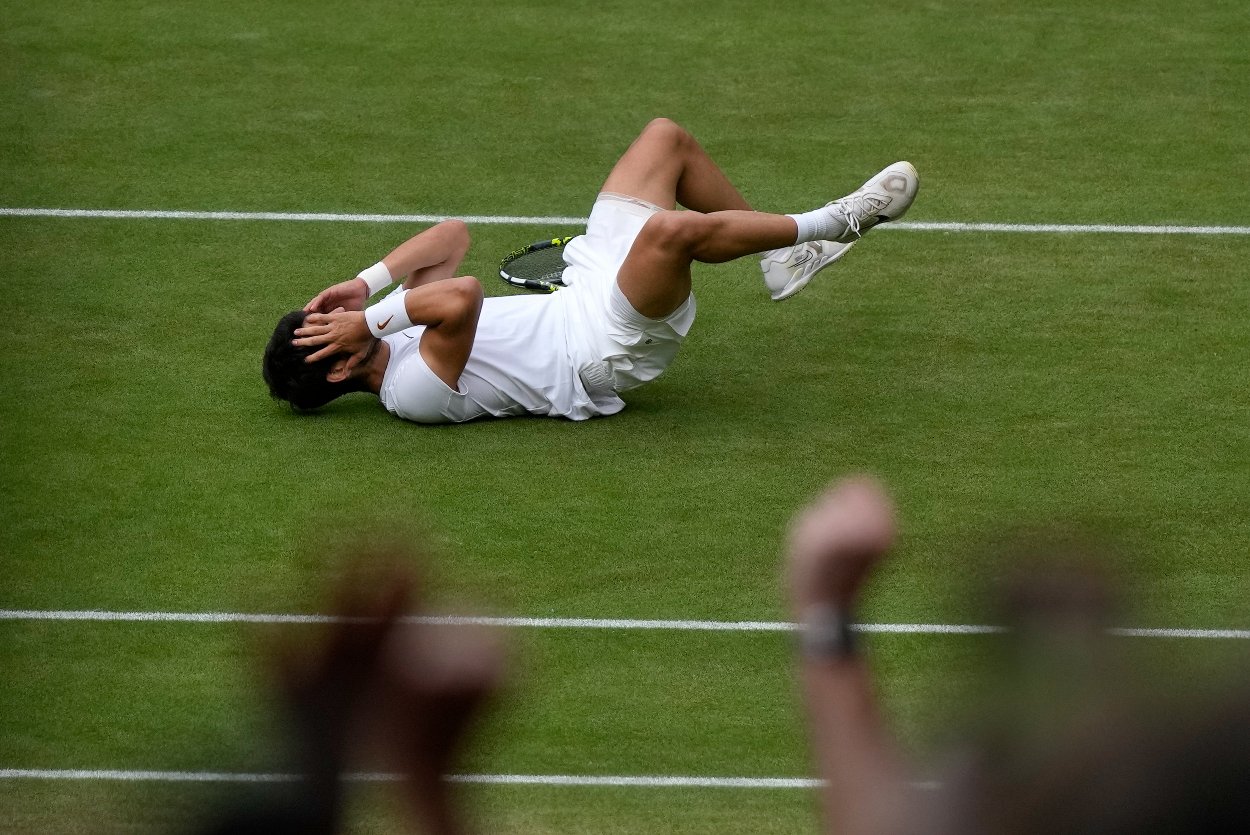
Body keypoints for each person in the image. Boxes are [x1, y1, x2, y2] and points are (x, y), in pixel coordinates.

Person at [263, 119, 918, 423]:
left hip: (587, 287)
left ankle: (783, 256)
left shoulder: (390, 322)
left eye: (330, 313)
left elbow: (450, 237)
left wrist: (365, 283)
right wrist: (374, 320)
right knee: (671, 231)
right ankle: (836, 223)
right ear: (343, 366)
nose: (343, 319)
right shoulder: (409, 392)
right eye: (332, 327)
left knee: (666, 139)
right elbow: (458, 296)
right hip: (600, 350)